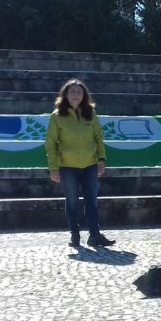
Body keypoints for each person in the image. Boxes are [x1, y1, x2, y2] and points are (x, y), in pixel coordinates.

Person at [43, 79, 114, 248]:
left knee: (91, 201)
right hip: (67, 166)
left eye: (79, 92)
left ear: (84, 95)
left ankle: (95, 235)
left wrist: (101, 159)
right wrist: (53, 168)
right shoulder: (56, 116)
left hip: (90, 165)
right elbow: (50, 143)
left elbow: (98, 138)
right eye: (72, 91)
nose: (76, 95)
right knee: (72, 201)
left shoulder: (91, 113)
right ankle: (74, 235)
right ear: (65, 95)